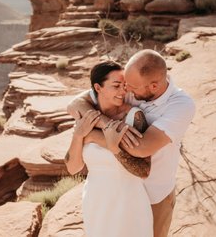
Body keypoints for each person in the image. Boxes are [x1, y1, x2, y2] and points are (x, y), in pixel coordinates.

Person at [67, 49, 196, 237]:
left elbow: (142, 148)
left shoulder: (181, 105)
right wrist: (106, 124)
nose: (127, 92)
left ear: (153, 86)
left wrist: (92, 136)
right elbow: (75, 104)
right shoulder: (129, 89)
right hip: (111, 194)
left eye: (132, 87)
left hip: (154, 193)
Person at [65, 60, 153, 237]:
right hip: (96, 201)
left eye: (124, 85)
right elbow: (72, 167)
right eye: (116, 86)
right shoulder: (87, 117)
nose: (123, 91)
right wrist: (79, 135)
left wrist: (113, 148)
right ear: (98, 88)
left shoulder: (134, 117)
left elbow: (144, 171)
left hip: (129, 201)